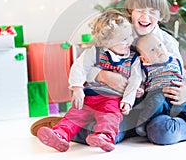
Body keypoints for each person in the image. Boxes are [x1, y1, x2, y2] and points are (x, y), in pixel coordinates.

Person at [31, 0, 186, 145]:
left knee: (162, 133)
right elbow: (88, 61)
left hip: (157, 108)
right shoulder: (118, 32)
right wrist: (101, 75)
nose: (145, 16)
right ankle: (66, 128)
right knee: (108, 129)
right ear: (131, 10)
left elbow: (178, 73)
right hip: (121, 106)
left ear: (161, 15)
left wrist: (185, 92)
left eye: (153, 11)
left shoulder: (166, 43)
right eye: (140, 10)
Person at [36, 9, 143, 152]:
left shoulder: (133, 58)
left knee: (110, 117)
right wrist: (77, 88)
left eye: (130, 35)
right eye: (123, 39)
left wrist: (128, 101)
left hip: (112, 99)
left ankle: (104, 137)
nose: (129, 41)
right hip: (90, 96)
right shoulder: (95, 52)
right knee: (75, 114)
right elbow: (79, 67)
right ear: (106, 41)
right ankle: (60, 135)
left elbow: (135, 80)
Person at [134, 33, 186, 141]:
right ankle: (143, 121)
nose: (158, 50)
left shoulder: (174, 61)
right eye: (152, 50)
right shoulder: (146, 67)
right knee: (155, 102)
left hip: (176, 99)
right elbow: (141, 81)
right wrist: (140, 89)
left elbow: (183, 74)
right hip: (158, 95)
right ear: (145, 59)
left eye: (160, 46)